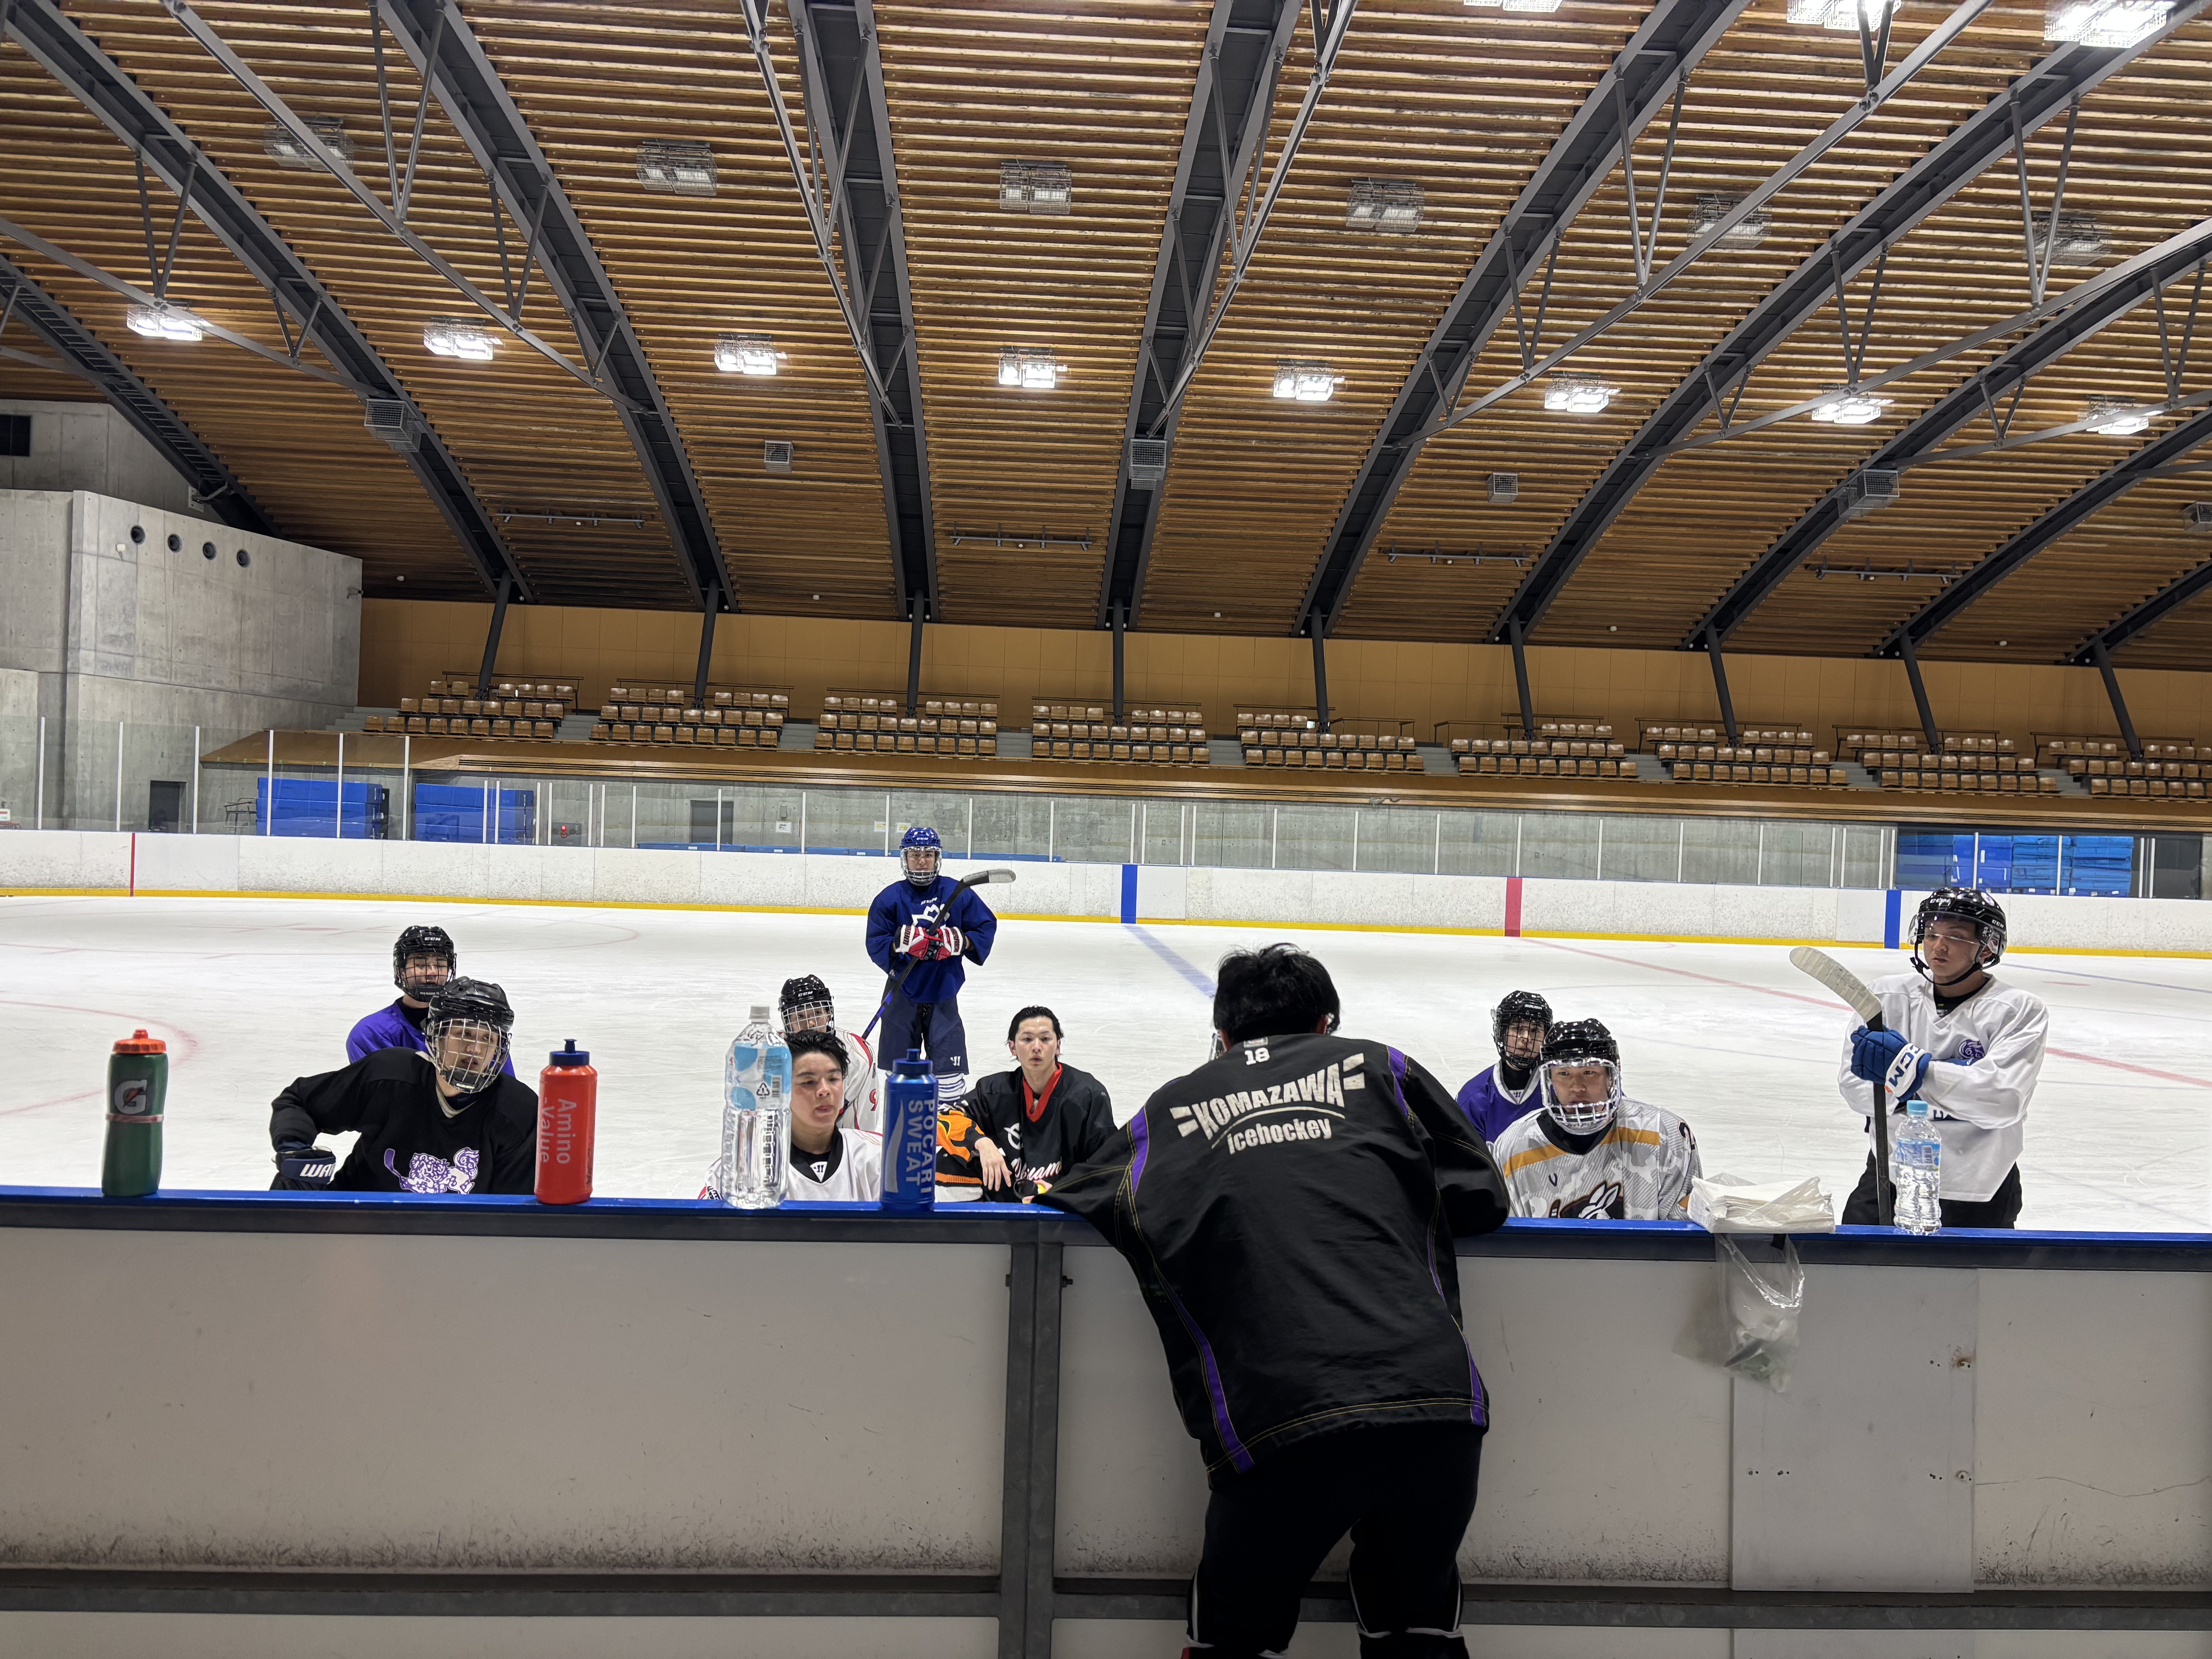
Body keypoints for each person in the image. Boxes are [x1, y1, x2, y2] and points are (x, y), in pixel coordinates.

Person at [1042, 943, 1507, 1659]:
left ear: (1223, 1034)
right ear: (1326, 1024)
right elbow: (1482, 1195)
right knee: (1415, 1627)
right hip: (1435, 1403)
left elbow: (1081, 1194)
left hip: (1281, 1410)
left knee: (1236, 1638)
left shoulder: (1172, 1105)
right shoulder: (1384, 1068)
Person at [1838, 886, 2046, 1228]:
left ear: (1987, 947)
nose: (1939, 946)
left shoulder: (2018, 1010)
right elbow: (1855, 1090)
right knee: (1851, 1258)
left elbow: (2003, 1100)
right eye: (1932, 934)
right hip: (1890, 1176)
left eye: (1957, 936)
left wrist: (1910, 1070)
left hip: (1981, 1185)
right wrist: (1960, 1078)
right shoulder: (1886, 997)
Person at [271, 978, 538, 1195]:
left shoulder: (519, 1112)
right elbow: (301, 1101)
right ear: (436, 1036)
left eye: (488, 1039)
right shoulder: (389, 1076)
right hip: (358, 1220)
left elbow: (508, 1212)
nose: (475, 1049)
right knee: (291, 1184)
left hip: (455, 1237)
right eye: (464, 1034)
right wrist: (294, 1149)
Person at [1488, 1019, 1701, 1220]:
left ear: (1611, 1077)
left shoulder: (1663, 1135)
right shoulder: (1514, 1147)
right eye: (1564, 1074)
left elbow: (1682, 1231)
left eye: (1589, 1072)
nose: (1577, 1087)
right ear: (1549, 1079)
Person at [864, 825, 998, 1114]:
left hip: (943, 991)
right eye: (915, 855)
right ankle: (904, 1130)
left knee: (949, 1077)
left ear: (937, 858)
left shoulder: (956, 892)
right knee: (900, 1075)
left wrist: (962, 941)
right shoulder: (889, 898)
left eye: (928, 855)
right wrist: (898, 942)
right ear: (905, 858)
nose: (922, 861)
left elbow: (986, 925)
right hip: (903, 991)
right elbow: (875, 940)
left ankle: (947, 1132)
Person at [962, 1006, 1115, 1200]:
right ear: (1013, 1048)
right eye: (1027, 1039)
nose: (1036, 1047)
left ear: (1058, 1046)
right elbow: (945, 1119)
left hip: (1068, 1199)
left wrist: (1066, 1192)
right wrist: (981, 1142)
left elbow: (1110, 1163)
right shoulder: (994, 1091)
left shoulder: (1088, 1094)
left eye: (1045, 1039)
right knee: (949, 1162)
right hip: (1010, 1192)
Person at [346, 924, 514, 1077]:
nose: (432, 972)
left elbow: (504, 1088)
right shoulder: (372, 1033)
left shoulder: (477, 1025)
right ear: (401, 972)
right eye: (421, 965)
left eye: (440, 965)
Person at [783, 1028, 883, 1202]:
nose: (824, 1090)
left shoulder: (878, 1157)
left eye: (833, 1079)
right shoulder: (753, 1164)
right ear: (782, 1090)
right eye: (809, 1082)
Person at [779, 974, 881, 1134]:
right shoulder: (769, 1054)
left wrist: (850, 1148)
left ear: (828, 1013)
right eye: (800, 1016)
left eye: (818, 1013)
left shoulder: (857, 1056)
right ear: (788, 1021)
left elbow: (861, 1127)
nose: (811, 1023)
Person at [1455, 990, 1552, 1143]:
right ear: (1503, 1033)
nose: (1526, 1038)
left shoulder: (1558, 1090)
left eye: (1535, 1031)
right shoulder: (1474, 1098)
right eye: (1518, 1029)